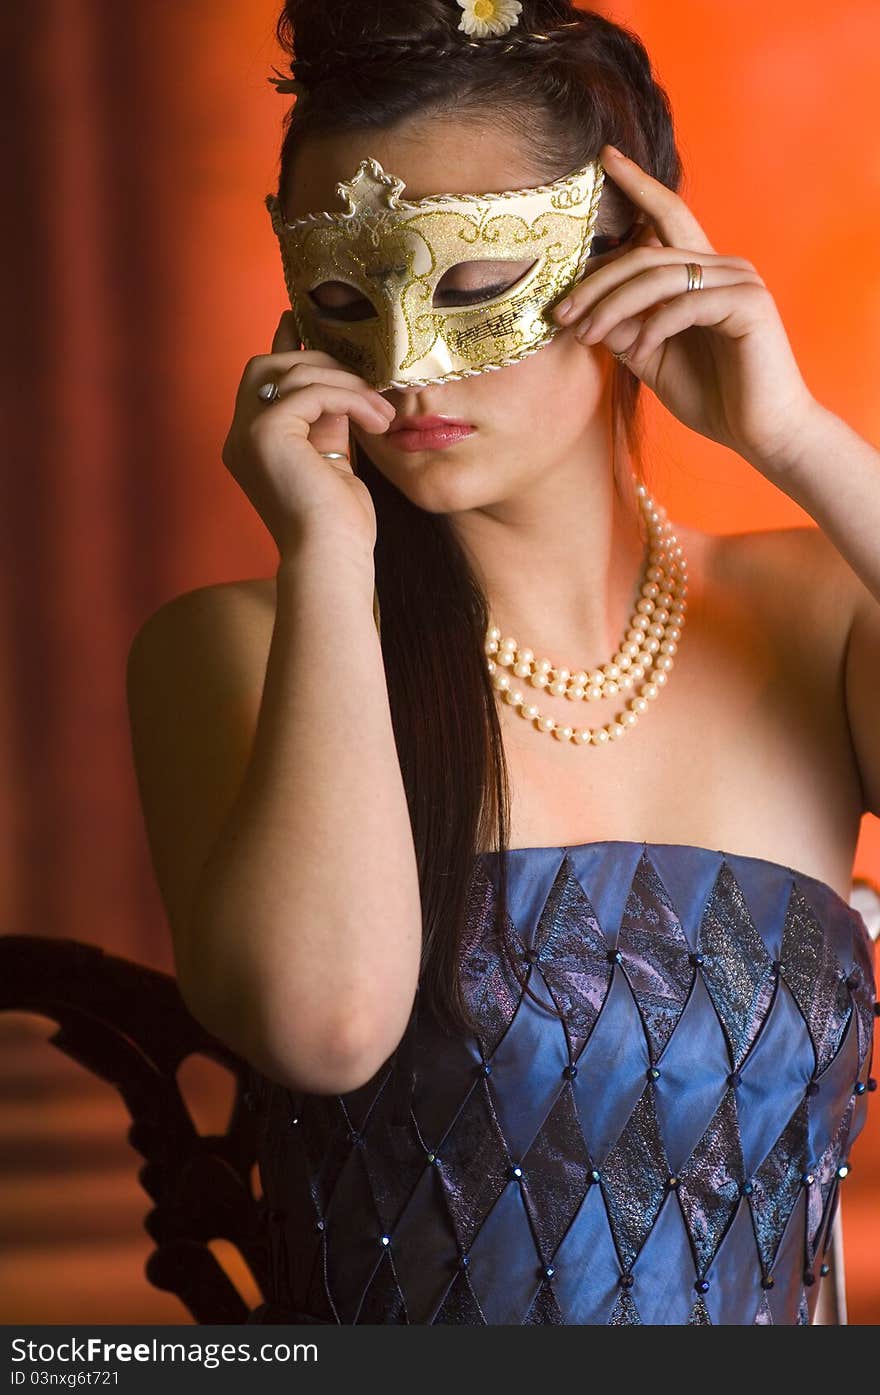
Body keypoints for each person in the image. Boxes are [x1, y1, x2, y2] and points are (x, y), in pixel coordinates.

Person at [125, 0, 879, 1325]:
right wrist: (329, 565)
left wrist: (799, 439)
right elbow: (323, 1025)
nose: (406, 366)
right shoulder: (241, 646)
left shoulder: (814, 615)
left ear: (634, 261)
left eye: (474, 288)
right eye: (349, 297)